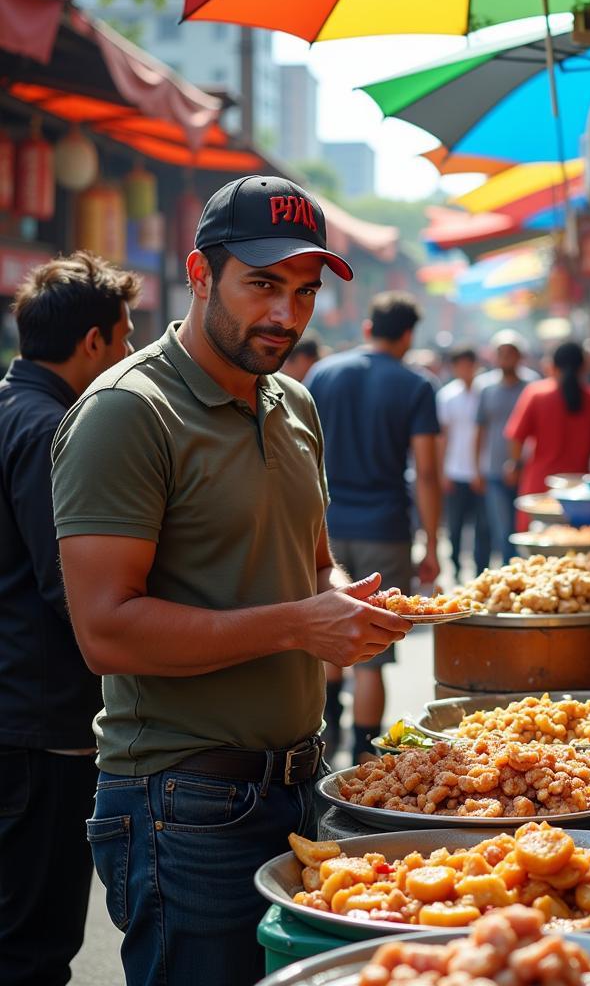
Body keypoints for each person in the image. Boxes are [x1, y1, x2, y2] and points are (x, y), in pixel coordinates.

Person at [50, 176, 411, 986]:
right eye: (263, 285)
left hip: (302, 786)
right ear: (200, 273)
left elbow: (315, 565)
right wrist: (298, 626)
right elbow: (105, 632)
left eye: (305, 292)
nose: (286, 314)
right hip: (184, 804)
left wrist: (349, 603)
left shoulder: (296, 405)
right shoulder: (128, 413)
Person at [0, 252, 136, 986]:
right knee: (35, 942)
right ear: (93, 343)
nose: (129, 353)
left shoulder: (9, 407)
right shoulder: (51, 429)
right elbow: (70, 586)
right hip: (40, 723)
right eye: (124, 337)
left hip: (17, 709)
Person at [305, 292, 441, 763]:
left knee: (328, 635)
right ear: (407, 336)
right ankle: (365, 756)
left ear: (368, 328)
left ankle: (324, 740)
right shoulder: (416, 385)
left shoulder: (323, 374)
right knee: (372, 651)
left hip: (325, 527)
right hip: (386, 528)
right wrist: (433, 543)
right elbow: (425, 472)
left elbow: (304, 455)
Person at [505, 341, 590, 528]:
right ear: (584, 367)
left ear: (552, 366)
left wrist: (515, 464)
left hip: (539, 494)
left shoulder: (536, 394)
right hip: (580, 496)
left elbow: (515, 439)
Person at [474, 330, 535, 564]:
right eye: (502, 353)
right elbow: (480, 429)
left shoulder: (532, 386)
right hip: (494, 471)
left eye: (511, 352)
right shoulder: (486, 387)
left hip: (526, 470)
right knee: (502, 531)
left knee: (524, 530)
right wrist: (476, 467)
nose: (506, 357)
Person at [437, 345, 489, 580]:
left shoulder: (486, 392)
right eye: (461, 365)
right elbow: (443, 436)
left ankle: (481, 569)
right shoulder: (446, 396)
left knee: (482, 526)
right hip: (455, 470)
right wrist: (442, 471)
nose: (466, 369)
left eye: (470, 364)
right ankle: (456, 566)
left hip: (481, 471)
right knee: (455, 526)